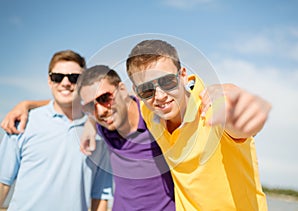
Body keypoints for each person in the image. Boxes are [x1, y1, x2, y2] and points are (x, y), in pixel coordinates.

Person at [1, 65, 176, 210]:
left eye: (105, 98)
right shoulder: (103, 126)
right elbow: (65, 105)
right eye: (91, 105)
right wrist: (26, 104)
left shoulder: (155, 118)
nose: (100, 111)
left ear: (122, 89)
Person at [125, 39, 272, 210]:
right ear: (138, 92)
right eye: (147, 90)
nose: (159, 96)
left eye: (167, 82)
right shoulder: (149, 110)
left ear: (183, 76)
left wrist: (243, 104)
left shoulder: (213, 109)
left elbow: (244, 125)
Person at [0, 50, 112, 211]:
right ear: (49, 81)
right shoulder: (23, 123)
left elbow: (100, 196)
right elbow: (3, 183)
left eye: (74, 78)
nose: (65, 83)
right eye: (58, 77)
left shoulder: (99, 135)